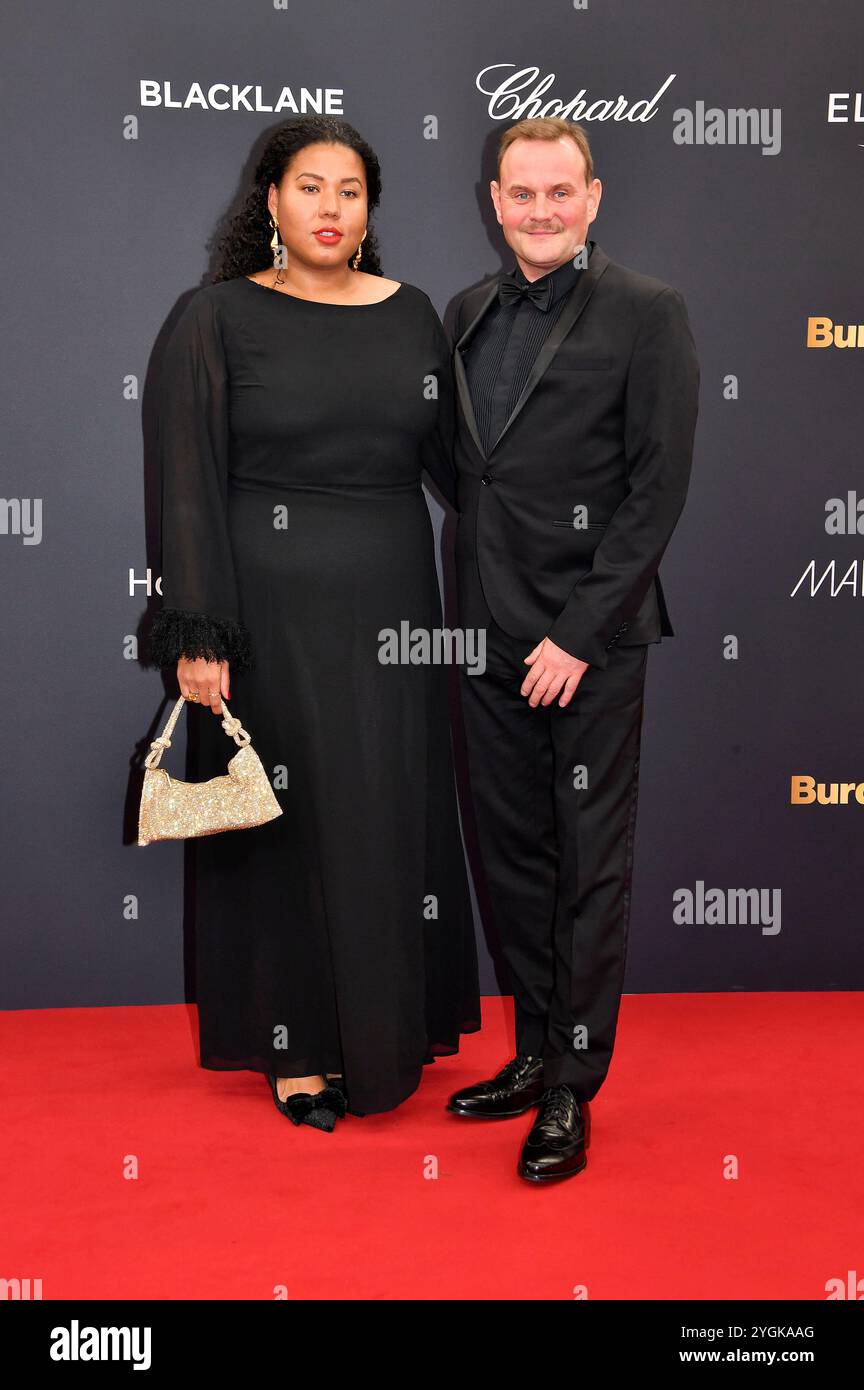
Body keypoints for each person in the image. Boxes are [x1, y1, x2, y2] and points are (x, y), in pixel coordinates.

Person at [148, 114, 480, 1131]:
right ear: (272, 204)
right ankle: (295, 1049)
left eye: (350, 190)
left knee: (385, 810)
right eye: (310, 187)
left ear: (369, 209)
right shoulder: (213, 318)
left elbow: (464, 471)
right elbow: (185, 484)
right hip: (269, 610)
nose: (331, 208)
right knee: (288, 823)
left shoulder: (414, 314)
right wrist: (199, 633)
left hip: (393, 609)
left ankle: (387, 1031)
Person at [446, 117, 700, 1181]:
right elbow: (473, 471)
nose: (540, 211)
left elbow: (656, 492)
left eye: (560, 193)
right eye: (521, 193)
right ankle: (535, 1048)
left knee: (588, 868)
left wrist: (577, 634)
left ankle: (571, 1088)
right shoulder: (466, 311)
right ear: (494, 201)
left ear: (592, 199)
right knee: (511, 860)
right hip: (484, 633)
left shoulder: (648, 313)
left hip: (589, 641)